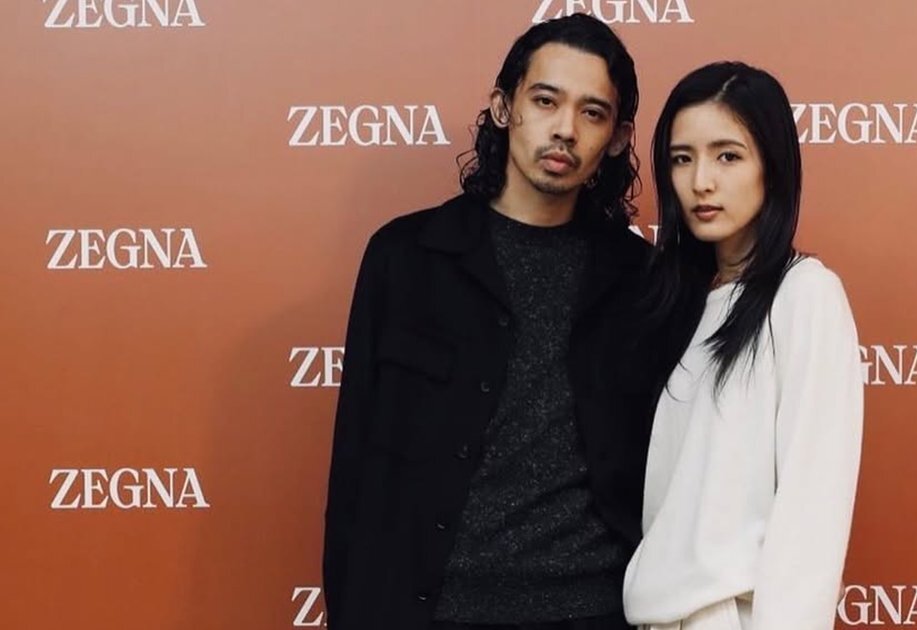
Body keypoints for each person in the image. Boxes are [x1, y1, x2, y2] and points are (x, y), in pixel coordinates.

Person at [323, 14, 655, 630]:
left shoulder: (642, 280)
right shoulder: (406, 257)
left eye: (592, 112)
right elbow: (355, 470)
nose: (564, 129)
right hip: (432, 611)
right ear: (504, 108)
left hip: (593, 610)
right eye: (545, 100)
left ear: (617, 137)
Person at [622, 62, 864, 630]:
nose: (701, 181)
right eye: (682, 158)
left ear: (772, 167)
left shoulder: (805, 295)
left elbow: (813, 512)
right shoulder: (680, 305)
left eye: (728, 156)